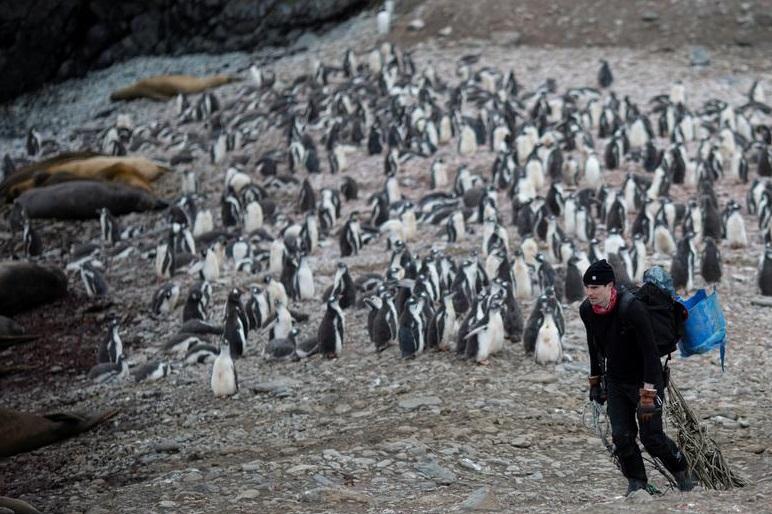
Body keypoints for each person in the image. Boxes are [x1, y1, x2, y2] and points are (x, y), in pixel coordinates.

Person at [579, 259, 693, 495]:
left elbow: (651, 353)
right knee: (622, 436)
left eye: (595, 288)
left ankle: (683, 474)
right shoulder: (587, 310)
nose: (590, 293)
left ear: (610, 286)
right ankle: (637, 483)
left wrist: (649, 393)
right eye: (588, 288)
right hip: (616, 380)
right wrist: (595, 381)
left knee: (652, 437)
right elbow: (594, 346)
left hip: (645, 378)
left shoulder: (630, 308)